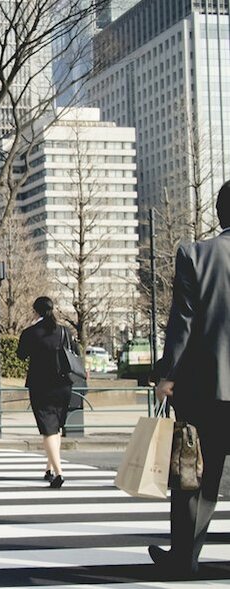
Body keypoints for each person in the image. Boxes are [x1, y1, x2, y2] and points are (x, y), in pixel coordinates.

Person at [149, 181, 230, 577]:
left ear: (220, 213)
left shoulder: (196, 254)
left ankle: (185, 558)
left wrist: (168, 376)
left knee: (195, 476)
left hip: (207, 389)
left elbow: (182, 323)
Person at [16, 296, 72, 489]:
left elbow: (21, 355)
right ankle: (49, 468)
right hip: (64, 384)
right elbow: (76, 352)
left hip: (40, 385)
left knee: (48, 429)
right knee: (55, 428)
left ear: (35, 311)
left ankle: (59, 473)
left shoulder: (31, 332)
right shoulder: (64, 331)